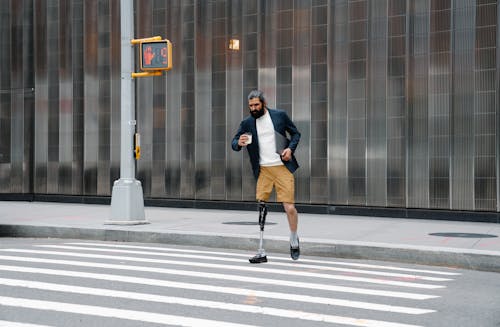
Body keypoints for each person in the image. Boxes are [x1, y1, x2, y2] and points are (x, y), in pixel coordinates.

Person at [232, 90, 301, 262]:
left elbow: (296, 134)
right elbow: (234, 142)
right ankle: (261, 250)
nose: (253, 108)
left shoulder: (279, 116)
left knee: (290, 208)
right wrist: (238, 143)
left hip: (281, 167)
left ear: (264, 103)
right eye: (250, 106)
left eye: (256, 105)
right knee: (262, 207)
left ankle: (293, 237)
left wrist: (290, 149)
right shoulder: (247, 123)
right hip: (263, 170)